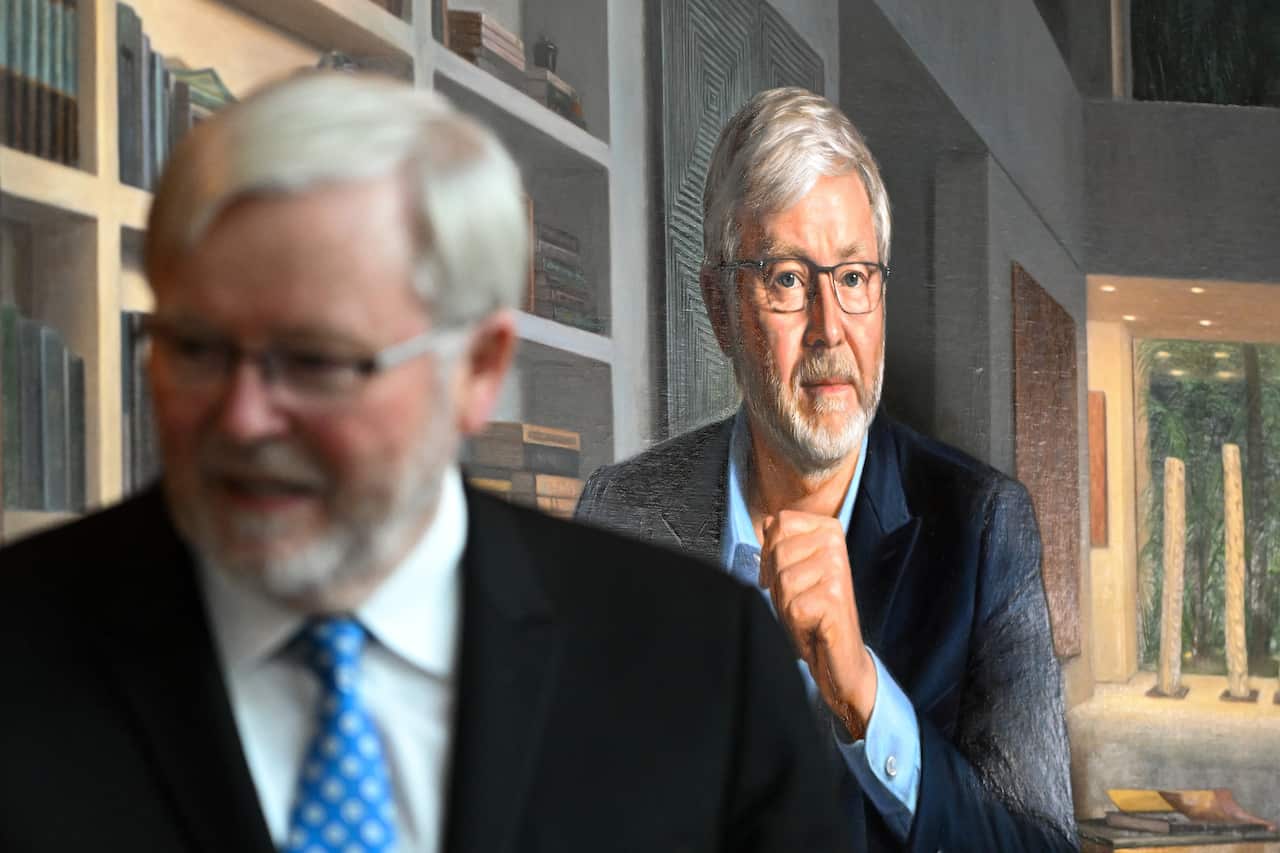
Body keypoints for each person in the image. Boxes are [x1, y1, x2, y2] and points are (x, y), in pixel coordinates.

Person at [0, 73, 851, 853]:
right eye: (194, 348)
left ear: (476, 369)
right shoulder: (20, 648)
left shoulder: (703, 665)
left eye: (315, 360)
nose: (243, 418)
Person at [576, 87, 1076, 852]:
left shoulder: (982, 530)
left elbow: (1041, 846)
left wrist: (866, 701)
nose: (828, 328)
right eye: (785, 279)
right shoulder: (624, 514)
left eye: (852, 277)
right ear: (719, 308)